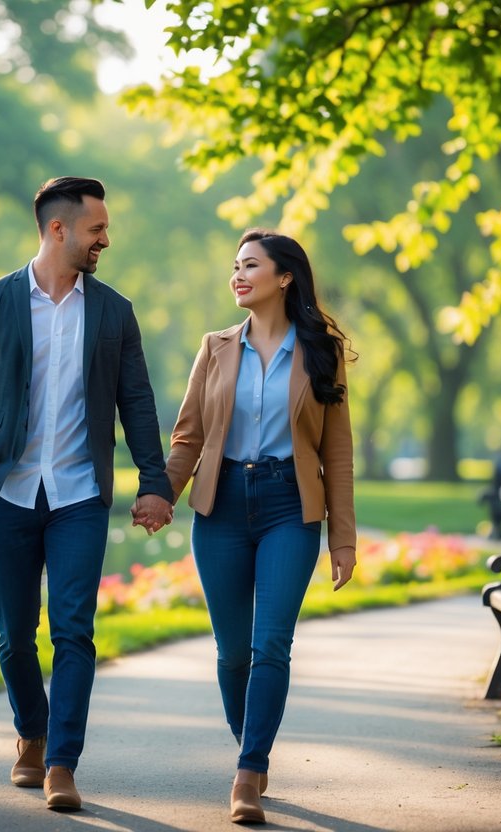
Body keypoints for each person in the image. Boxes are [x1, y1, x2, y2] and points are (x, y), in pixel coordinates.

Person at [0, 176, 174, 813]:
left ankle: (60, 763)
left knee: (74, 631)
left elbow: (137, 402)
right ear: (59, 229)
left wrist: (153, 483)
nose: (107, 239)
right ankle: (31, 729)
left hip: (79, 495)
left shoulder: (113, 311)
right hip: (8, 494)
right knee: (14, 634)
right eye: (97, 229)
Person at [144, 228, 356, 824]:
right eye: (234, 266)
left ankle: (247, 771)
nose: (237, 275)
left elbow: (336, 452)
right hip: (222, 507)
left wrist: (342, 538)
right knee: (233, 652)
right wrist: (161, 495)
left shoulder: (321, 351)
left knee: (271, 645)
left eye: (250, 266)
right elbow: (188, 436)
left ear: (284, 277)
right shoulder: (214, 348)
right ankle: (253, 752)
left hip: (292, 506)